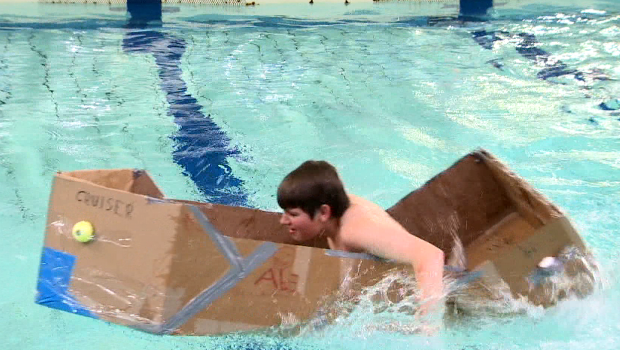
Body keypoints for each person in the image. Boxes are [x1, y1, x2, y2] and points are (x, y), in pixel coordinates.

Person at [277, 160, 445, 317]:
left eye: (292, 214)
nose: (282, 221)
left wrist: (428, 324)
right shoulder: (331, 202)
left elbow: (430, 255)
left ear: (323, 213)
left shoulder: (355, 230)